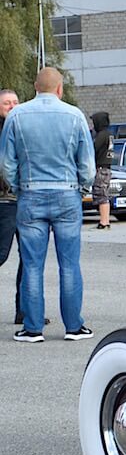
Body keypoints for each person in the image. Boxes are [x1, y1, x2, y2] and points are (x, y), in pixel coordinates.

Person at [0, 67, 95, 342]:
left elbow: (7, 163)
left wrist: (20, 186)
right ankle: (74, 327)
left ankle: (32, 328)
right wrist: (82, 188)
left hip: (31, 195)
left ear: (34, 86)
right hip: (67, 194)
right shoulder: (74, 115)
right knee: (69, 264)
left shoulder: (16, 115)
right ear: (60, 89)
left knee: (31, 264)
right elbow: (87, 164)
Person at [0, 89, 25, 324]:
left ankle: (24, 310)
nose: (12, 106)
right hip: (4, 202)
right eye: (7, 102)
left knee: (28, 257)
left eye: (15, 102)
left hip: (26, 201)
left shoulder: (24, 128)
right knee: (1, 254)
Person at [90, 112, 113, 229]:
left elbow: (93, 149)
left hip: (101, 167)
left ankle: (104, 222)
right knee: (105, 193)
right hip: (107, 167)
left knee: (101, 194)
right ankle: (105, 220)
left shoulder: (102, 135)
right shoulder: (109, 134)